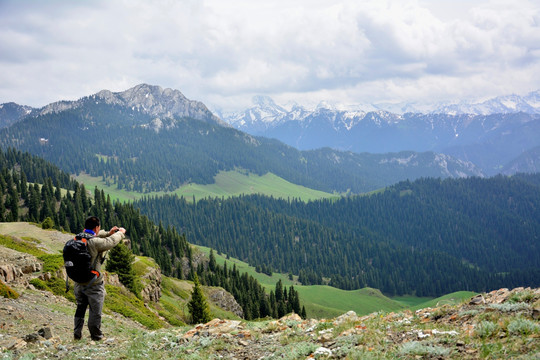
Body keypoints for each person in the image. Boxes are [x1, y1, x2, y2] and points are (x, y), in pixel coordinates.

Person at [73, 216, 126, 341]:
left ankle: (77, 334)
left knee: (80, 308)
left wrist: (108, 232)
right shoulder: (95, 243)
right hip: (93, 283)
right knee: (95, 311)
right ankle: (96, 336)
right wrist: (120, 233)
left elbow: (98, 235)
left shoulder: (78, 238)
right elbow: (111, 242)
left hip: (78, 282)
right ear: (97, 227)